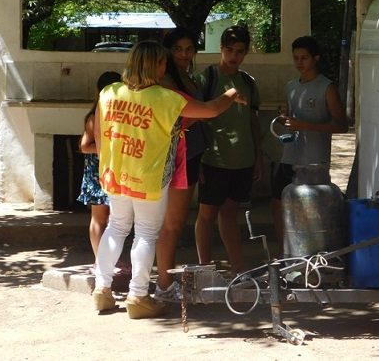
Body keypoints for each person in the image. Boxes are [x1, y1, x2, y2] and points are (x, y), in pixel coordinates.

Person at [91, 40, 246, 319]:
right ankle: (138, 295)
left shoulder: (109, 92)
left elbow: (101, 138)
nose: (166, 66)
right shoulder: (166, 97)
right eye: (163, 62)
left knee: (116, 227)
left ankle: (102, 290)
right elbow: (211, 109)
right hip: (148, 177)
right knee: (146, 233)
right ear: (157, 66)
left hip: (114, 174)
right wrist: (233, 92)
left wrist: (108, 167)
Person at [194, 26, 263, 274]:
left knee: (230, 215)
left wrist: (258, 157)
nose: (234, 56)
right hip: (213, 159)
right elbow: (194, 120)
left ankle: (238, 269)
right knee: (206, 215)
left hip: (243, 159)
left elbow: (253, 122)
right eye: (230, 50)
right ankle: (204, 270)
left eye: (240, 52)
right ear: (221, 48)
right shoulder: (206, 79)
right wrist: (197, 159)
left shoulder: (248, 82)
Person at [270, 36, 347, 253]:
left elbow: (341, 125)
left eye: (304, 58)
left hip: (314, 160)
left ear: (316, 58)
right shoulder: (291, 86)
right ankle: (284, 252)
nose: (299, 63)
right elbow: (292, 117)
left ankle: (311, 254)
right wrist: (286, 119)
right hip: (290, 155)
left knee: (312, 208)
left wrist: (304, 125)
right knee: (278, 202)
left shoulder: (327, 87)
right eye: (296, 58)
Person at [154, 28, 206, 301]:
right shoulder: (165, 80)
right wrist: (205, 112)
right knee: (171, 223)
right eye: (178, 49)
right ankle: (163, 285)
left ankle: (165, 281)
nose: (184, 54)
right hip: (177, 155)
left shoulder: (187, 76)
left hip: (192, 152)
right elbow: (179, 116)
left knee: (175, 221)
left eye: (189, 49)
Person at [77, 71, 120, 264]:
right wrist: (107, 149)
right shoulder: (94, 117)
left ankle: (109, 260)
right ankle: (99, 261)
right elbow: (84, 146)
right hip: (98, 173)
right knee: (99, 218)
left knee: (115, 221)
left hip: (114, 171)